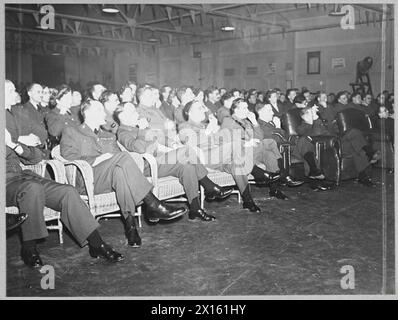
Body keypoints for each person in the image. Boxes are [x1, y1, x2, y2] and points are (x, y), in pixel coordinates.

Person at [5, 79, 124, 266]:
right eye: (10, 90)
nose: (16, 93)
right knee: (32, 188)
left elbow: (36, 156)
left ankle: (96, 243)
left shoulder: (12, 117)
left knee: (68, 191)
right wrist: (13, 144)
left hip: (22, 174)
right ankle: (29, 247)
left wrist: (15, 145)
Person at [60, 99, 187, 248]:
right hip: (88, 179)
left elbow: (119, 160)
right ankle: (153, 204)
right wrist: (98, 159)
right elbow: (68, 156)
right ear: (87, 112)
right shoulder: (72, 131)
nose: (105, 114)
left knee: (121, 172)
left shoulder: (108, 134)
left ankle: (130, 227)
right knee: (124, 158)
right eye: (100, 110)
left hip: (109, 178)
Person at [117, 106, 234, 221]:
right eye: (132, 112)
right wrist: (142, 130)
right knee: (187, 151)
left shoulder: (139, 127)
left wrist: (174, 144)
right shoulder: (122, 132)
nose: (137, 114)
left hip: (160, 161)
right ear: (122, 116)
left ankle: (195, 209)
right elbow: (139, 149)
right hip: (147, 166)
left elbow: (160, 138)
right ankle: (209, 186)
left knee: (188, 167)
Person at [178, 100, 261, 212]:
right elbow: (190, 144)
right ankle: (257, 171)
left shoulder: (206, 125)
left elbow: (220, 141)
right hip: (203, 158)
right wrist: (208, 132)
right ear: (189, 112)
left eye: (203, 108)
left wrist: (217, 133)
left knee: (237, 164)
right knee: (236, 146)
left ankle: (248, 200)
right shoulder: (184, 126)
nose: (203, 110)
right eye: (199, 108)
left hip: (218, 157)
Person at [221, 98, 297, 200]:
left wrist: (254, 122)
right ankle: (283, 173)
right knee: (270, 142)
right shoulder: (228, 121)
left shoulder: (246, 122)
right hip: (239, 155)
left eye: (247, 107)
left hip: (252, 152)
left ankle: (274, 189)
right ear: (236, 110)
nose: (248, 110)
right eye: (244, 108)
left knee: (269, 154)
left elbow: (259, 137)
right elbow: (228, 142)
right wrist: (247, 143)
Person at [297, 104, 378, 186]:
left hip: (337, 143)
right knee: (354, 144)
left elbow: (333, 130)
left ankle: (365, 170)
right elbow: (315, 134)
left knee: (354, 134)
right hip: (327, 148)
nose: (313, 114)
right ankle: (368, 159)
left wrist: (328, 122)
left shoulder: (321, 122)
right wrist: (315, 119)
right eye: (310, 113)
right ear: (304, 116)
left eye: (313, 113)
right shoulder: (302, 127)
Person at [256, 103, 323, 180]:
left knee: (304, 140)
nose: (272, 113)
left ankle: (313, 171)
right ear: (261, 112)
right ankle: (314, 171)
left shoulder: (270, 123)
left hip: (287, 146)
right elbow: (274, 140)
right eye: (269, 110)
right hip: (280, 149)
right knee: (303, 142)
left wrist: (295, 139)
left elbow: (285, 135)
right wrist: (278, 127)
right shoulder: (260, 125)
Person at [11, 83, 49, 154]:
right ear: (29, 93)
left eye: (42, 92)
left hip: (43, 148)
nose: (41, 95)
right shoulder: (23, 110)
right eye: (38, 92)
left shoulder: (43, 110)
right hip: (32, 150)